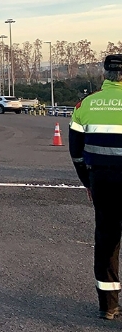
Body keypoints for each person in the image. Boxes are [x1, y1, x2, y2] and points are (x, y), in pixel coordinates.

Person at [70, 54, 122, 320]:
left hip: (102, 181)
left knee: (107, 241)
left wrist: (87, 182)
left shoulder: (86, 105)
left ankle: (109, 306)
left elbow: (76, 152)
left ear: (106, 75)